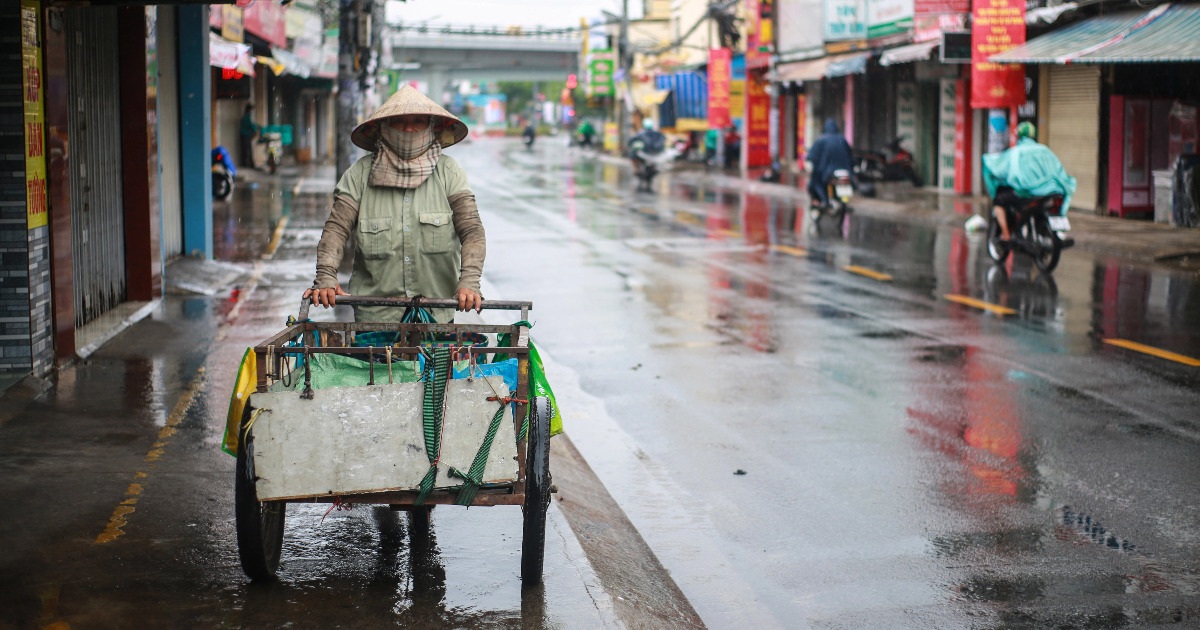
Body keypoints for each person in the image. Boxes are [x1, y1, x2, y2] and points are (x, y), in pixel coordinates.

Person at [302, 85, 485, 323]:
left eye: (418, 121)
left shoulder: (449, 172)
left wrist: (469, 282)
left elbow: (472, 231)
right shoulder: (358, 174)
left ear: (431, 127)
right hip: (374, 319)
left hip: (437, 316)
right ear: (383, 128)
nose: (409, 129)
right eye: (400, 122)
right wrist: (326, 277)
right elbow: (336, 229)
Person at [982, 121, 1076, 241]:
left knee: (999, 201)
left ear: (1019, 136)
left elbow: (1001, 169)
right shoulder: (1044, 150)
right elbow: (1058, 170)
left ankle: (1006, 234)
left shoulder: (1016, 152)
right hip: (1049, 191)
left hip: (1026, 193)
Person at [805, 118, 855, 208]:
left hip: (827, 171)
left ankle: (824, 201)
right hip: (845, 170)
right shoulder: (842, 139)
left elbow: (812, 156)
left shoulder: (821, 140)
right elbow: (851, 157)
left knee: (816, 182)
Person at [239, 103, 260, 170]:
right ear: (249, 110)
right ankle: (248, 164)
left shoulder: (245, 117)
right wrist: (256, 129)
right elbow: (250, 125)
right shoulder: (247, 117)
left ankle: (247, 164)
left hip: (244, 135)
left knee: (246, 150)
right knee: (247, 150)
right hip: (245, 136)